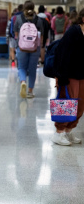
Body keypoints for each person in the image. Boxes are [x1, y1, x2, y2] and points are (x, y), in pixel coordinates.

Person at [52, 8, 84, 146]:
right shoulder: (73, 32)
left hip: (82, 74)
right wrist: (61, 76)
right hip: (69, 75)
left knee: (80, 106)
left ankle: (69, 131)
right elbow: (61, 53)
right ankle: (59, 133)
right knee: (67, 104)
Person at [14, 0, 44, 99]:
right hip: (35, 48)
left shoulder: (18, 18)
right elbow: (41, 36)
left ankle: (23, 82)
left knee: (21, 67)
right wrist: (40, 47)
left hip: (21, 47)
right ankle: (30, 91)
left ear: (24, 8)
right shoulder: (38, 20)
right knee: (32, 69)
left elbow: (16, 34)